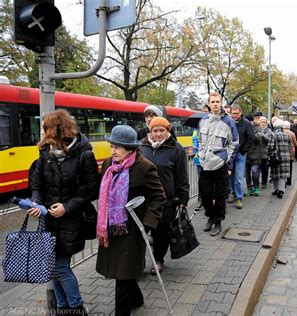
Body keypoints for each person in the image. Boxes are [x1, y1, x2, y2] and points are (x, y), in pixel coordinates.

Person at [28, 109, 100, 315]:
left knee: (60, 266)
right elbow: (37, 183)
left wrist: (66, 207)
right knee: (52, 266)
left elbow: (91, 189)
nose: (42, 133)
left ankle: (76, 307)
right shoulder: (45, 152)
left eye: (46, 129)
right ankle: (63, 308)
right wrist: (36, 202)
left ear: (58, 130)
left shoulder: (84, 154)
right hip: (49, 219)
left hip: (72, 219)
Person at [95, 125, 167, 316]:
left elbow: (159, 197)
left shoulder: (145, 167)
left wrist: (148, 224)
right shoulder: (109, 164)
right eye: (112, 146)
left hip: (132, 230)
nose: (113, 151)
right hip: (112, 227)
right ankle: (137, 299)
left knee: (122, 274)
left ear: (130, 149)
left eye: (117, 147)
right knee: (123, 272)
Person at [141, 117, 190, 273]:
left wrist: (183, 198)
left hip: (165, 200)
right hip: (143, 199)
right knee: (140, 232)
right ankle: (138, 262)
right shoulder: (142, 146)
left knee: (161, 233)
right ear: (150, 131)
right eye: (155, 130)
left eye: (162, 130)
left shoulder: (176, 148)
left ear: (168, 131)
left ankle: (158, 259)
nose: (158, 134)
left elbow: (182, 175)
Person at [198, 92, 239, 236]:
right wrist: (201, 155)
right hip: (205, 164)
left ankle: (218, 222)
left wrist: (227, 163)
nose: (215, 104)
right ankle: (210, 217)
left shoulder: (229, 122)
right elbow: (200, 141)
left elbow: (234, 144)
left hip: (220, 164)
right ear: (208, 104)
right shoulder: (203, 120)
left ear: (221, 103)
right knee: (205, 194)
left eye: (218, 101)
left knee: (221, 195)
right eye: (213, 101)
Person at [229, 104, 255, 209]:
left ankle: (239, 198)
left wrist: (243, 150)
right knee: (230, 175)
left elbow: (251, 138)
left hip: (240, 153)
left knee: (239, 176)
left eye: (236, 113)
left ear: (240, 112)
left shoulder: (247, 123)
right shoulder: (229, 122)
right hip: (230, 153)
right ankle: (233, 193)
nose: (234, 115)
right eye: (233, 113)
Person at [268, 119, 291, 199]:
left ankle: (276, 189)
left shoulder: (273, 134)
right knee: (282, 175)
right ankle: (281, 190)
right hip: (285, 158)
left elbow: (270, 146)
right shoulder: (286, 135)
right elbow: (290, 147)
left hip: (276, 158)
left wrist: (269, 154)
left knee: (275, 174)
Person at [244, 116, 263, 196]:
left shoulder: (257, 128)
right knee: (247, 173)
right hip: (246, 154)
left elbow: (259, 139)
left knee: (255, 172)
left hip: (255, 155)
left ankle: (256, 187)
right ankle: (249, 188)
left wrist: (250, 133)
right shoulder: (244, 128)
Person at [258, 117, 273, 189]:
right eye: (261, 122)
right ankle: (256, 182)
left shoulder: (269, 131)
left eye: (264, 122)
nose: (263, 123)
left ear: (266, 123)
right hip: (256, 153)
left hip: (265, 153)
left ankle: (264, 182)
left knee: (264, 169)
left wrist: (262, 135)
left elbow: (269, 140)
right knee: (256, 169)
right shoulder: (256, 129)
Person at [283, 121, 297, 186]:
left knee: (283, 167)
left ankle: (283, 182)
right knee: (290, 167)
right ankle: (289, 181)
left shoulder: (281, 132)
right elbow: (296, 144)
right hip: (291, 152)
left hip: (283, 152)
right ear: (289, 126)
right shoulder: (292, 133)